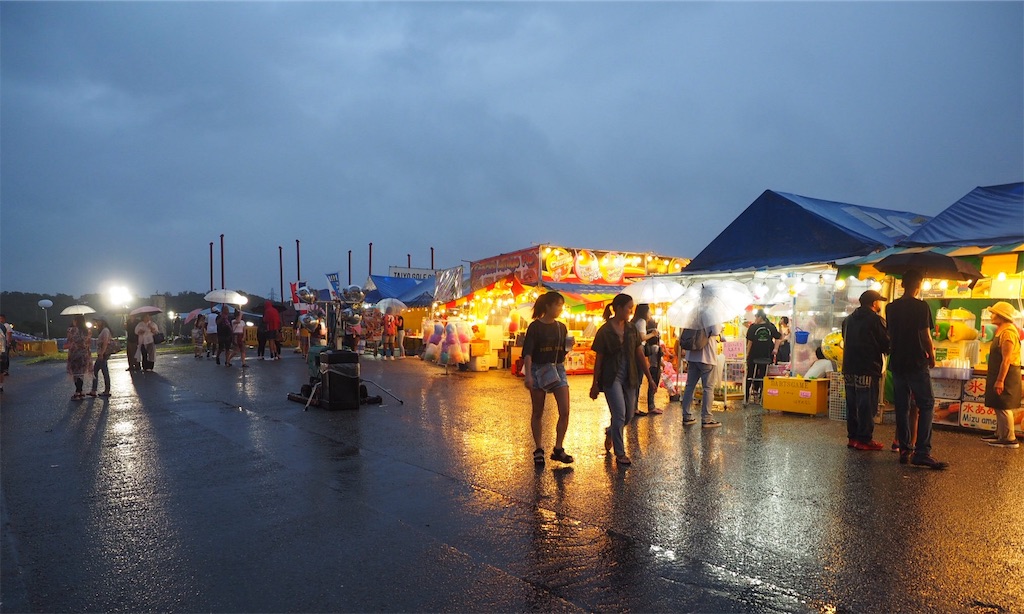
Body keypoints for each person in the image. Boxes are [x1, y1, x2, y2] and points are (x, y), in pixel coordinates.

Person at [886, 270, 947, 469]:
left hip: (897, 362)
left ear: (903, 284)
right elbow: (924, 335)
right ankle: (922, 452)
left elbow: (891, 335)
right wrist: (931, 355)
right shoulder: (921, 306)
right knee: (927, 404)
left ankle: (904, 448)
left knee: (902, 406)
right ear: (918, 285)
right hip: (916, 362)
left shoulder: (891, 307)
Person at [590, 293, 656, 466]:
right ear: (618, 308)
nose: (630, 311)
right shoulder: (605, 331)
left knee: (627, 416)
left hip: (630, 376)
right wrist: (595, 384)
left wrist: (650, 378)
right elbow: (599, 358)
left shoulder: (632, 328)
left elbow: (639, 353)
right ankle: (620, 453)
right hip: (611, 378)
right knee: (619, 414)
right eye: (628, 308)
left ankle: (611, 431)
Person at [522, 291, 573, 465]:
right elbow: (527, 353)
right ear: (548, 306)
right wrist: (528, 375)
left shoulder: (561, 327)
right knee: (538, 411)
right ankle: (538, 448)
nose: (560, 308)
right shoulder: (535, 327)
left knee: (565, 410)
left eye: (561, 305)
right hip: (538, 369)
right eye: (558, 305)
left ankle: (558, 448)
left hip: (557, 368)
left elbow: (563, 352)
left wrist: (568, 348)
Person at [841, 290, 890, 451]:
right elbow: (886, 344)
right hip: (867, 367)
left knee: (852, 403)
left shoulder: (847, 320)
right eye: (879, 302)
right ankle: (864, 439)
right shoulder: (877, 320)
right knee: (867, 404)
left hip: (848, 367)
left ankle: (853, 437)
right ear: (874, 303)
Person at [982, 301, 1021, 448]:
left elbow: (1007, 360)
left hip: (1007, 375)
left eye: (994, 313)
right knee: (998, 405)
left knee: (1004, 406)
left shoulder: (1008, 333)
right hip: (999, 373)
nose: (991, 315)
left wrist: (1000, 380)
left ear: (1002, 316)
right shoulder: (1001, 330)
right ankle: (1000, 433)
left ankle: (1009, 438)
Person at [678, 319, 725, 429]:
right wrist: (721, 329)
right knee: (708, 388)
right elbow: (716, 331)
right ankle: (707, 418)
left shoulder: (693, 314)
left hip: (692, 355)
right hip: (707, 356)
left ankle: (686, 415)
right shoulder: (711, 314)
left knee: (690, 386)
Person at [745, 310, 781, 404]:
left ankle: (747, 398)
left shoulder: (753, 327)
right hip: (766, 356)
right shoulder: (771, 326)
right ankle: (761, 397)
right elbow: (778, 338)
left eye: (756, 316)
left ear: (760, 317)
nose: (755, 319)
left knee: (750, 375)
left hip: (753, 356)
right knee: (763, 376)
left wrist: (747, 355)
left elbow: (750, 342)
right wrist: (775, 349)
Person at [65, 314, 92, 400]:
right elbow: (88, 341)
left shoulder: (72, 330)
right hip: (84, 352)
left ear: (76, 321)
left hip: (75, 352)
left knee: (75, 373)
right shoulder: (87, 330)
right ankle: (80, 391)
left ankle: (78, 391)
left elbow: (69, 340)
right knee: (81, 373)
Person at [88, 317, 113, 397]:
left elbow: (105, 342)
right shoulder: (102, 330)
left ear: (102, 322)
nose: (96, 323)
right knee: (95, 371)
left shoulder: (105, 330)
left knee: (103, 371)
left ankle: (106, 390)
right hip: (101, 353)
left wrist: (102, 353)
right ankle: (94, 390)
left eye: (98, 321)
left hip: (103, 353)